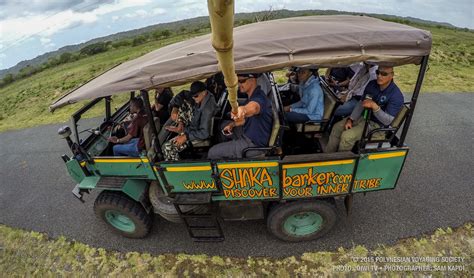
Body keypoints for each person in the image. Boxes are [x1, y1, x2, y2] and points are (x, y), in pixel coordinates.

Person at [326, 66, 404, 152]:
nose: (379, 76)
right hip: (363, 118)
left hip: (376, 127)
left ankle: (342, 163)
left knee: (347, 136)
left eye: (384, 74)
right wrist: (351, 119)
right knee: (336, 127)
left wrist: (375, 107)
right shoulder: (372, 84)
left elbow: (387, 121)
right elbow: (361, 104)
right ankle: (328, 157)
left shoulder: (396, 96)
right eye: (378, 72)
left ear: (392, 75)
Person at [207, 73, 273, 159]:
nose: (238, 84)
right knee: (223, 127)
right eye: (237, 81)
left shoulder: (259, 99)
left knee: (212, 152)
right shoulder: (253, 96)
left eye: (242, 81)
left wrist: (242, 110)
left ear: (253, 80)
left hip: (253, 145)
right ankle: (227, 151)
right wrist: (232, 124)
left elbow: (254, 107)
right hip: (249, 132)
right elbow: (246, 119)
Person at [163, 81, 217, 160]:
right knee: (184, 103)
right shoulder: (201, 97)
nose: (193, 98)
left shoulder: (208, 110)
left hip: (199, 135)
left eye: (195, 96)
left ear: (204, 92)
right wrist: (175, 108)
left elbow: (204, 133)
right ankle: (180, 127)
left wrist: (185, 136)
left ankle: (176, 170)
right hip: (194, 126)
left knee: (167, 147)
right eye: (192, 96)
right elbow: (183, 94)